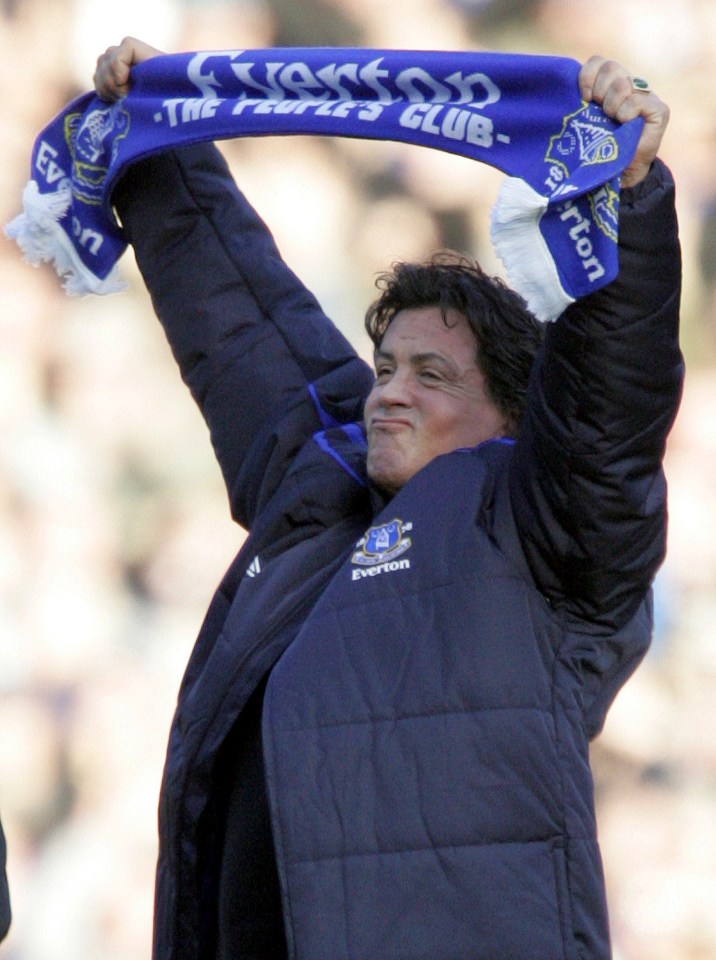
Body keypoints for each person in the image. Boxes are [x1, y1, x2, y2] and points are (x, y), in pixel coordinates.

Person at [94, 38, 682, 960]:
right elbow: (241, 316)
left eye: (431, 373)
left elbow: (611, 405)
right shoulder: (319, 482)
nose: (389, 392)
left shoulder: (545, 533)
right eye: (384, 367)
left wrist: (630, 199)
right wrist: (157, 132)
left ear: (512, 417)